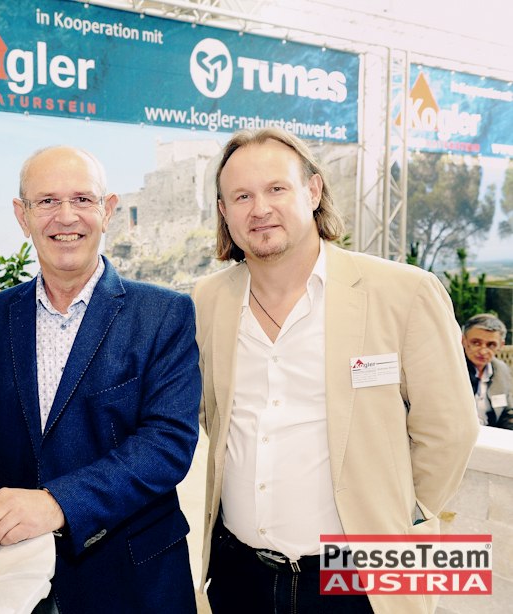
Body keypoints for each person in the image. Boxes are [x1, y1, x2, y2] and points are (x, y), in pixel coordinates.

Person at [0, 146, 201, 613]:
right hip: (7, 577)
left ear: (108, 210)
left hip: (132, 581)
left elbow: (166, 444)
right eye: (48, 201)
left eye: (83, 199)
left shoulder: (163, 314)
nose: (66, 217)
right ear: (23, 216)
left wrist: (58, 502)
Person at [192, 128, 478, 614]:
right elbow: (209, 418)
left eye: (276, 188)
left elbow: (449, 430)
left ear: (313, 191)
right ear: (224, 211)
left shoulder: (404, 292)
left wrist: (400, 518)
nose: (260, 208)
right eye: (241, 196)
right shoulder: (208, 300)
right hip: (239, 573)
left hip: (359, 577)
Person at [462, 313, 512, 428]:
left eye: (491, 345)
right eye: (476, 343)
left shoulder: (502, 370)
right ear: (463, 341)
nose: (483, 351)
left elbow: (507, 412)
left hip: (491, 434)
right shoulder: (452, 369)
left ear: (501, 346)